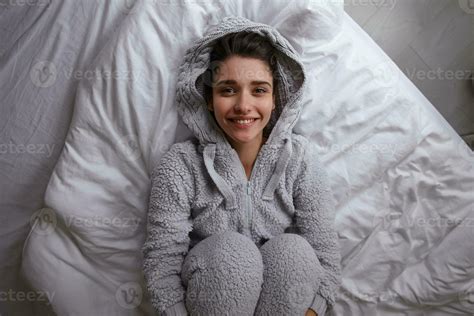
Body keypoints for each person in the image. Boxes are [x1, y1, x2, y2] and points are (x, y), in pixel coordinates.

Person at [142, 16, 342, 316]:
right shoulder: (180, 165)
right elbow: (161, 262)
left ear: (276, 98)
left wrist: (312, 311)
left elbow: (325, 254)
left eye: (259, 90)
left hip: (283, 296)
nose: (243, 106)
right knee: (232, 253)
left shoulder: (301, 160)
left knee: (295, 252)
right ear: (209, 99)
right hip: (209, 290)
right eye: (228, 90)